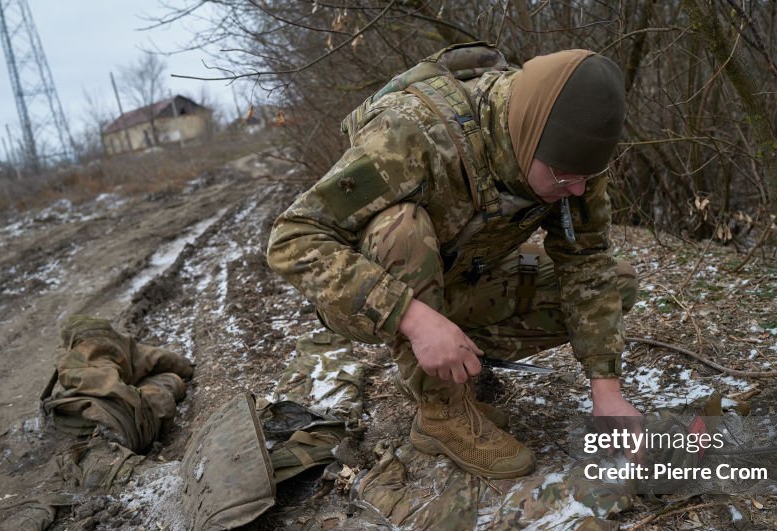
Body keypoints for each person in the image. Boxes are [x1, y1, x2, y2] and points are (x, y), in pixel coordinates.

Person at [267, 46, 641, 479]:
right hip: (370, 291)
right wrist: (414, 319)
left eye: (586, 178)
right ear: (527, 133)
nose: (576, 190)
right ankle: (441, 412)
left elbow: (587, 262)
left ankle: (460, 368)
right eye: (563, 176)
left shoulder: (572, 164)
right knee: (401, 226)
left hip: (464, 275)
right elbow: (292, 237)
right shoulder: (410, 136)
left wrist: (606, 389)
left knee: (619, 281)